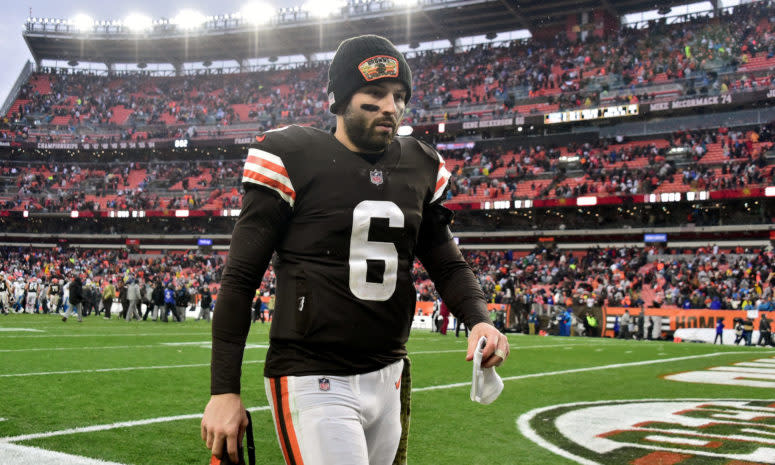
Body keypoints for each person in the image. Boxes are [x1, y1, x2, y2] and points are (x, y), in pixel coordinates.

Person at [201, 34, 509, 465]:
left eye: (400, 96)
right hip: (312, 370)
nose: (391, 106)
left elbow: (446, 261)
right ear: (340, 98)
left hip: (390, 371)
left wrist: (479, 319)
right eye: (376, 93)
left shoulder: (420, 165)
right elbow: (239, 279)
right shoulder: (292, 155)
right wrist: (224, 391)